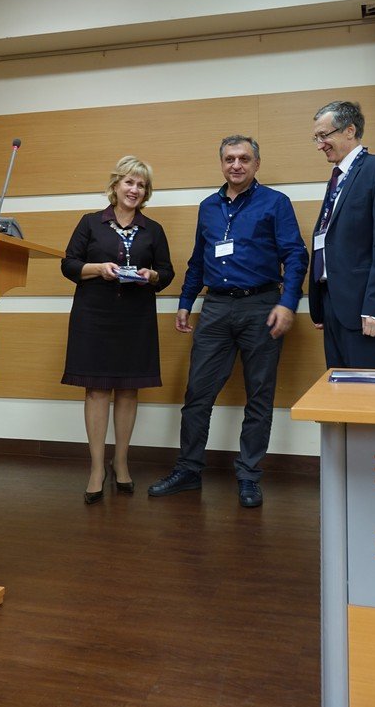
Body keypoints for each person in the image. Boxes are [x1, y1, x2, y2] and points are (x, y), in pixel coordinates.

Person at [148, 135, 309, 509]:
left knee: (259, 396)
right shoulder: (208, 207)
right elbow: (198, 260)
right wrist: (186, 302)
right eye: (230, 159)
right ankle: (188, 470)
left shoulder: (276, 203)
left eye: (244, 159)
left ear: (256, 164)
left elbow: (295, 256)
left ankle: (249, 476)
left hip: (262, 306)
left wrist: (288, 303)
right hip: (216, 308)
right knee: (197, 394)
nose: (236, 165)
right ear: (221, 163)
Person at [61, 156, 174, 504]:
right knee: (96, 390)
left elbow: (166, 273)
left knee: (128, 391)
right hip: (94, 316)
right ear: (115, 185)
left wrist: (151, 276)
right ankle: (97, 468)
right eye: (129, 182)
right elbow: (69, 264)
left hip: (135, 319)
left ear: (146, 192)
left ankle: (121, 463)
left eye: (141, 185)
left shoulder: (153, 229)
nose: (134, 189)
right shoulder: (90, 223)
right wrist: (99, 268)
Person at [308, 100, 375, 370]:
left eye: (324, 136)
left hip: (367, 309)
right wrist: (321, 304)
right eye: (316, 138)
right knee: (340, 389)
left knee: (369, 391)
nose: (319, 145)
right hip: (335, 305)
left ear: (350, 130)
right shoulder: (338, 178)